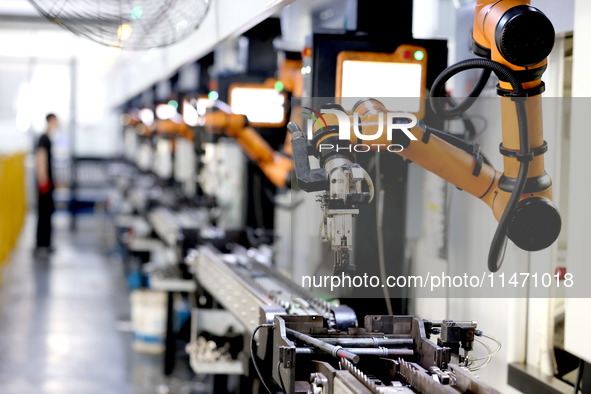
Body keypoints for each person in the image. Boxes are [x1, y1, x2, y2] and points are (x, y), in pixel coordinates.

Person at [35, 113, 58, 255]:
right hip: (45, 184)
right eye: (56, 121)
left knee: (47, 213)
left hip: (48, 183)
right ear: (50, 121)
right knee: (43, 214)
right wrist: (43, 181)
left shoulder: (48, 139)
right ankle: (41, 245)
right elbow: (41, 159)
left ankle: (46, 243)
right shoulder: (43, 139)